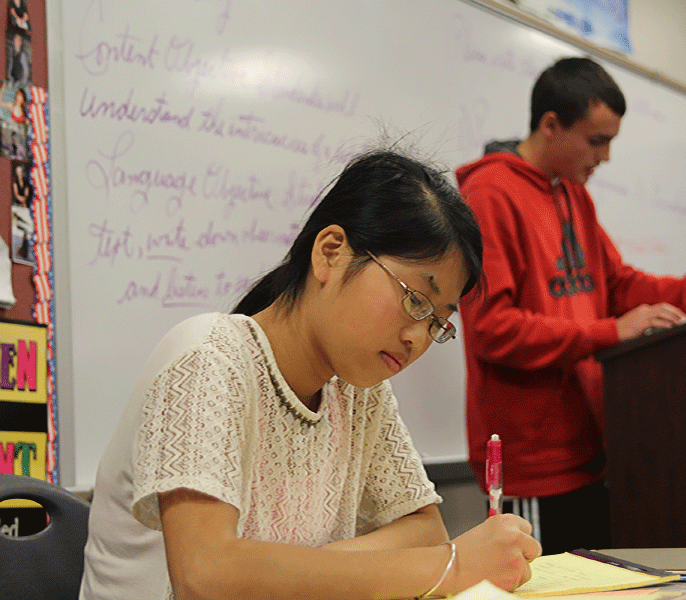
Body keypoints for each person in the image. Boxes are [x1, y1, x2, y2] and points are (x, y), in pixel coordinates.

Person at [79, 149, 542, 600]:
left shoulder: (360, 393)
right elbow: (207, 578)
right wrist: (454, 565)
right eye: (416, 300)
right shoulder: (209, 358)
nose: (418, 338)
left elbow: (424, 530)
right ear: (331, 253)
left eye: (438, 321)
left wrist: (286, 576)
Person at [455, 57, 686, 555]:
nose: (606, 157)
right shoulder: (489, 195)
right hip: (531, 462)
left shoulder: (572, 194)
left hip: (588, 448)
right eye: (596, 141)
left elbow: (618, 285)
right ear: (551, 125)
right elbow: (491, 328)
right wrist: (610, 333)